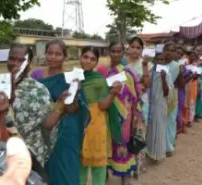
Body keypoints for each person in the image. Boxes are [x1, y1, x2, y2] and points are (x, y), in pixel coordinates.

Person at [37, 43, 89, 185]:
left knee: (67, 169)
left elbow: (74, 109)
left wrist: (76, 91)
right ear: (45, 53)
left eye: (58, 54)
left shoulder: (72, 77)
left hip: (67, 129)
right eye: (50, 53)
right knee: (46, 171)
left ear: (65, 57)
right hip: (44, 129)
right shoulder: (36, 76)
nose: (53, 57)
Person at [78, 46, 122, 185]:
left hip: (96, 124)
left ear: (96, 62)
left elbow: (103, 105)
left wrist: (113, 93)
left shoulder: (99, 80)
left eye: (92, 59)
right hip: (77, 122)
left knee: (98, 165)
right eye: (85, 57)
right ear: (80, 57)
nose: (88, 61)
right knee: (79, 164)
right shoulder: (73, 77)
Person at [6, 43, 54, 167]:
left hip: (31, 154)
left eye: (21, 60)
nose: (16, 64)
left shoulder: (39, 90)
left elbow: (48, 128)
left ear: (29, 63)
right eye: (12, 58)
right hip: (2, 153)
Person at [106, 42, 141, 185]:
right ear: (109, 52)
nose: (115, 54)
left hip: (125, 117)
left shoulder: (128, 73)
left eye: (118, 51)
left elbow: (135, 96)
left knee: (123, 143)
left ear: (123, 53)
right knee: (108, 143)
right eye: (113, 51)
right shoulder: (106, 72)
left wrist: (135, 118)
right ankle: (105, 173)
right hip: (108, 112)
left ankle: (125, 176)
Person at [121, 36, 151, 177]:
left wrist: (145, 66)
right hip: (126, 103)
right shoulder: (123, 64)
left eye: (138, 47)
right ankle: (128, 163)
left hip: (140, 102)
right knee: (127, 133)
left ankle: (138, 166)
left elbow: (147, 84)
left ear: (141, 50)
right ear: (128, 47)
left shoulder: (146, 65)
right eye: (132, 46)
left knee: (139, 132)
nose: (135, 50)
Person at [146, 53, 174, 162]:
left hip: (161, 103)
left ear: (165, 61)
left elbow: (167, 93)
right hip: (150, 103)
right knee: (151, 127)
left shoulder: (167, 73)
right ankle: (149, 151)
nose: (159, 61)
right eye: (157, 59)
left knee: (159, 127)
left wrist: (163, 78)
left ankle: (157, 154)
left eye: (161, 59)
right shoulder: (151, 71)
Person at [162, 42, 181, 157]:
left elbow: (176, 83)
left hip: (171, 95)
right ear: (164, 50)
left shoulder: (176, 66)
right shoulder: (158, 62)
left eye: (173, 50)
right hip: (158, 95)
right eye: (168, 49)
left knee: (170, 121)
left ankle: (169, 146)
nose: (170, 52)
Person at [183, 53, 199, 127]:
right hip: (186, 86)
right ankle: (184, 120)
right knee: (185, 103)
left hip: (193, 86)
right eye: (191, 57)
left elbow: (196, 78)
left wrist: (195, 76)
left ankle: (189, 120)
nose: (192, 59)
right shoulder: (185, 66)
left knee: (192, 103)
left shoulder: (196, 67)